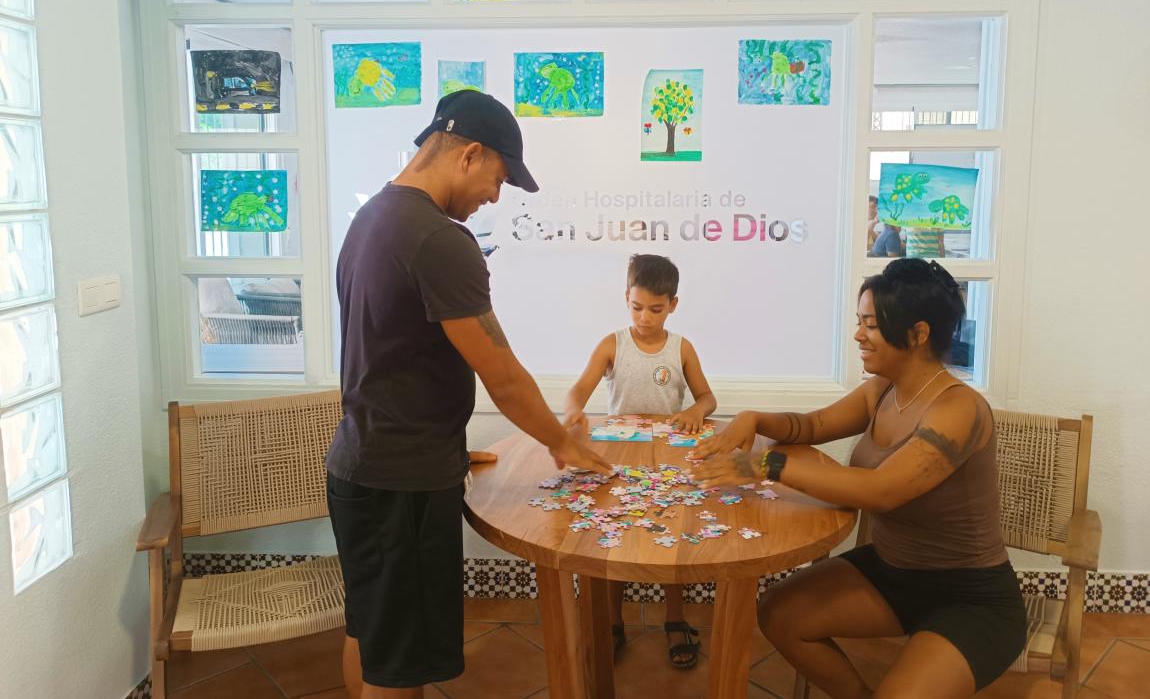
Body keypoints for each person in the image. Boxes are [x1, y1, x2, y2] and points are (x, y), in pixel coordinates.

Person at [326, 89, 612, 699]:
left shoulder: (371, 216)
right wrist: (564, 444)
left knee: (370, 632)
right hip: (402, 484)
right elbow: (502, 376)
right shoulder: (439, 240)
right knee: (399, 665)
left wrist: (447, 444)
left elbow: (391, 354)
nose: (494, 197)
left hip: (361, 464)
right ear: (470, 154)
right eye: (499, 179)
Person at [690, 259, 1025, 699]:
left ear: (918, 333)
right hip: (892, 574)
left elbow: (882, 491)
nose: (857, 335)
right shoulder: (882, 390)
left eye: (870, 324)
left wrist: (766, 467)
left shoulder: (959, 408)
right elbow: (810, 426)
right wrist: (753, 417)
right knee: (779, 612)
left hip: (970, 598)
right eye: (858, 322)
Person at [563, 253, 717, 669]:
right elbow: (577, 390)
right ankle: (613, 622)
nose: (645, 317)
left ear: (673, 305)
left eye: (656, 308)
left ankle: (674, 619)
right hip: (619, 461)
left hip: (669, 460)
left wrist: (696, 412)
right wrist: (574, 411)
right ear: (625, 299)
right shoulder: (612, 344)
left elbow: (707, 397)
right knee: (614, 538)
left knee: (670, 542)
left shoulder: (682, 348)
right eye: (636, 307)